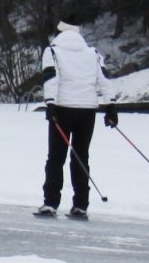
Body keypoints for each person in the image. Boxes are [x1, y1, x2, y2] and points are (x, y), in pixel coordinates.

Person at [34, 15, 117, 220]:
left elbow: (52, 77)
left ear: (60, 32)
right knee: (81, 157)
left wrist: (50, 103)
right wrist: (111, 106)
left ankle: (51, 202)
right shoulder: (92, 53)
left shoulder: (52, 51)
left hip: (62, 109)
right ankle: (81, 204)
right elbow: (104, 79)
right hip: (87, 111)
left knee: (56, 157)